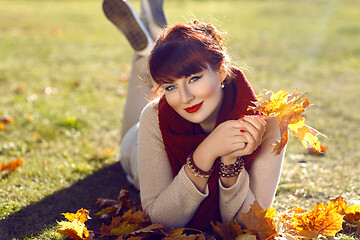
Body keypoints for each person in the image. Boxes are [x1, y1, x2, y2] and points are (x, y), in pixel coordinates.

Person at [103, 0, 285, 231]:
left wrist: (230, 161)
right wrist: (205, 154)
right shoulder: (154, 116)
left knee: (165, 66)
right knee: (144, 94)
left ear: (220, 72)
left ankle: (158, 47)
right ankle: (152, 50)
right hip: (136, 145)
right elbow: (160, 220)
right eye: (169, 87)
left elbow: (249, 224)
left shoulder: (265, 124)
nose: (185, 97)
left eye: (194, 78)